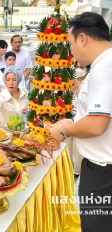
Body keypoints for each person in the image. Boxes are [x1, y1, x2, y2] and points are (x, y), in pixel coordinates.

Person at [49, 12, 112, 232]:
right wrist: (72, 121)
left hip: (102, 174)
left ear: (83, 38)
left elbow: (97, 124)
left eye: (71, 43)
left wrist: (66, 129)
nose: (71, 51)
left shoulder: (103, 69)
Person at [66, 62, 91, 177]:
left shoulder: (89, 82)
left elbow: (87, 103)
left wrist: (76, 90)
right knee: (69, 143)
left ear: (87, 69)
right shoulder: (73, 80)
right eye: (77, 67)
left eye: (81, 67)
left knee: (79, 145)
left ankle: (78, 170)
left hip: (83, 117)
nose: (78, 70)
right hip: (71, 115)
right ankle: (69, 166)